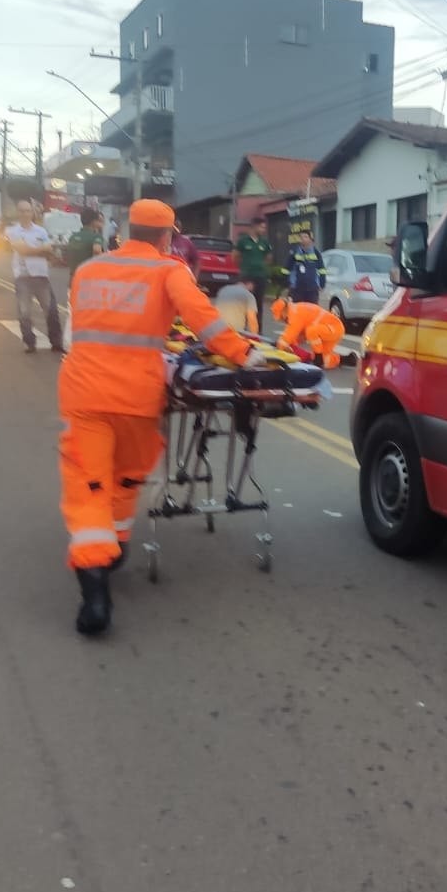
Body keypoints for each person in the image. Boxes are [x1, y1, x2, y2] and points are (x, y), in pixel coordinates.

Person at [59, 198, 265, 636]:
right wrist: (244, 354)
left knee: (90, 483)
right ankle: (114, 546)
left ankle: (94, 589)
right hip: (136, 398)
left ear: (126, 230)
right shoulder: (170, 271)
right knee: (128, 476)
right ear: (168, 237)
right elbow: (203, 321)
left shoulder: (88, 271)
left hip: (85, 394)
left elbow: (88, 324)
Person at [7, 199, 65, 353]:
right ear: (18, 213)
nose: (26, 214)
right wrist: (41, 249)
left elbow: (49, 252)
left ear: (32, 213)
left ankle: (57, 343)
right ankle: (29, 342)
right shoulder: (13, 231)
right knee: (24, 311)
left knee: (51, 310)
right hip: (23, 276)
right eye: (22, 211)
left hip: (41, 275)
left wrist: (36, 250)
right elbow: (22, 251)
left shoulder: (41, 231)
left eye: (28, 211)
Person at [270, 296, 344, 370]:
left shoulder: (294, 314)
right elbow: (297, 337)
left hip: (333, 328)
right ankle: (346, 359)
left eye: (281, 316)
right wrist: (284, 345)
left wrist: (279, 346)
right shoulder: (294, 310)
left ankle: (318, 355)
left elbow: (288, 337)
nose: (281, 319)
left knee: (310, 331)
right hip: (330, 329)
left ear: (284, 311)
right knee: (325, 362)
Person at [238, 234, 269, 334]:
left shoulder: (264, 242)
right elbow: (235, 256)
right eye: (261, 227)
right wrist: (244, 270)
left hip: (260, 277)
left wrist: (261, 268)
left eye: (264, 228)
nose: (263, 230)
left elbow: (268, 257)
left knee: (258, 304)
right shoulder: (243, 241)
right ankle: (241, 328)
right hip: (246, 277)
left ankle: (257, 332)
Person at [287, 227, 324, 305]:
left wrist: (322, 283)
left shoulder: (316, 253)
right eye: (301, 237)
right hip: (297, 288)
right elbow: (288, 268)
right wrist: (288, 284)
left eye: (305, 237)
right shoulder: (294, 253)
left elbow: (322, 269)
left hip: (312, 289)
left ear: (311, 239)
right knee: (297, 312)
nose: (303, 239)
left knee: (312, 312)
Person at [63, 208, 106, 272]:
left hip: (74, 277)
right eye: (99, 220)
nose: (103, 223)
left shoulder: (73, 237)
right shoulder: (96, 237)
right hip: (88, 276)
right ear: (94, 221)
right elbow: (97, 250)